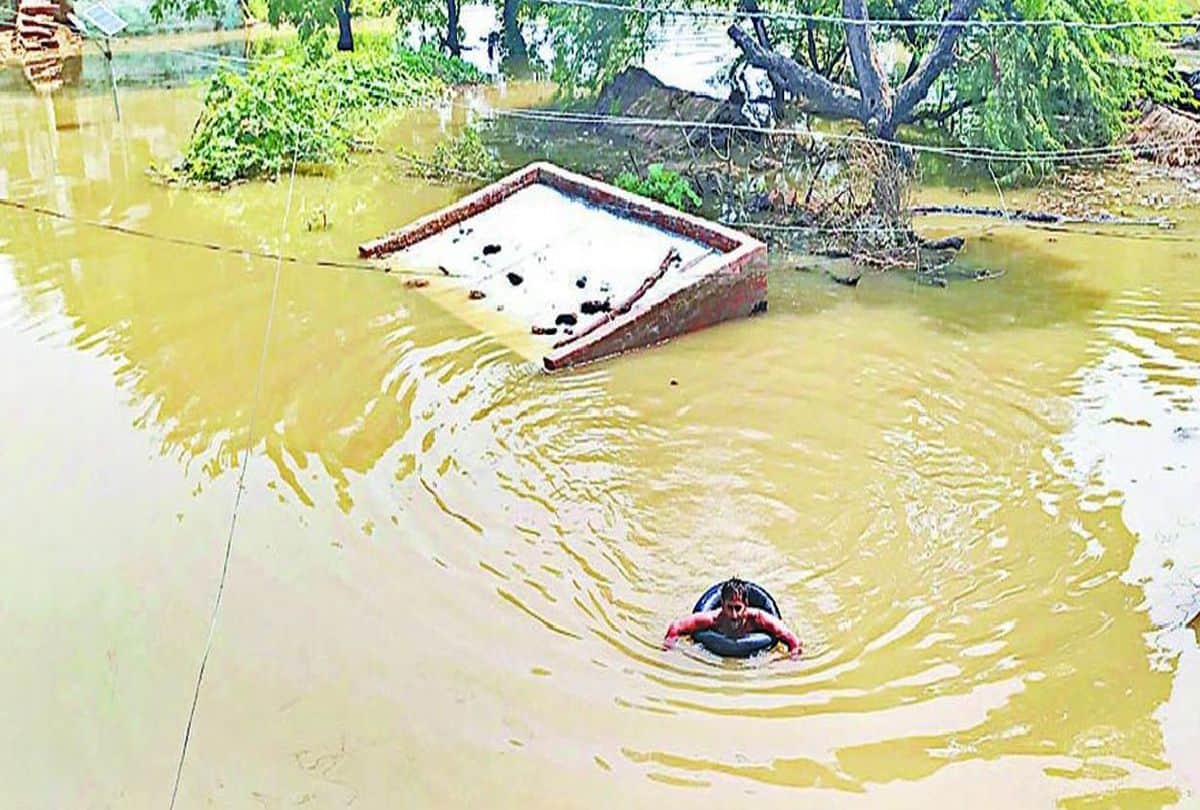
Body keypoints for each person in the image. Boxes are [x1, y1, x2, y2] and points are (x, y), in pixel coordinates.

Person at [663, 577, 802, 658]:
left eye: (738, 608)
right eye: (730, 607)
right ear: (722, 605)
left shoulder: (758, 619)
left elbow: (792, 639)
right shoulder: (713, 619)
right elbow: (677, 626)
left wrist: (793, 659)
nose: (734, 615)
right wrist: (668, 648)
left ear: (746, 606)